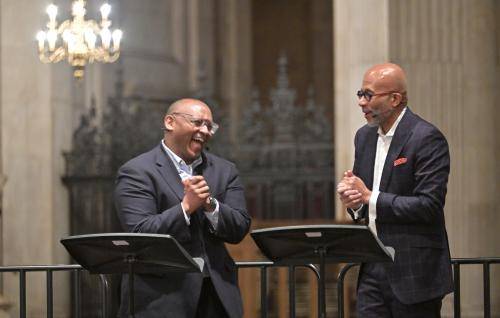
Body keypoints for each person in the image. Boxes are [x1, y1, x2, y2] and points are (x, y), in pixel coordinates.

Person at [114, 98, 251, 318]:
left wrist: (210, 205)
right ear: (170, 122)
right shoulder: (137, 171)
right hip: (161, 298)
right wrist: (186, 207)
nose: (205, 131)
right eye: (198, 122)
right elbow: (139, 234)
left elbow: (240, 227)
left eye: (210, 126)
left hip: (216, 295)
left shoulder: (225, 170)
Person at [337, 63, 453, 317]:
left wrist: (369, 196)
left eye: (368, 94)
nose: (361, 102)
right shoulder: (363, 138)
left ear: (394, 99)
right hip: (373, 268)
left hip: (416, 271)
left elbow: (429, 206)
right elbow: (365, 204)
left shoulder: (426, 138)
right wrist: (355, 201)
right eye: (360, 94)